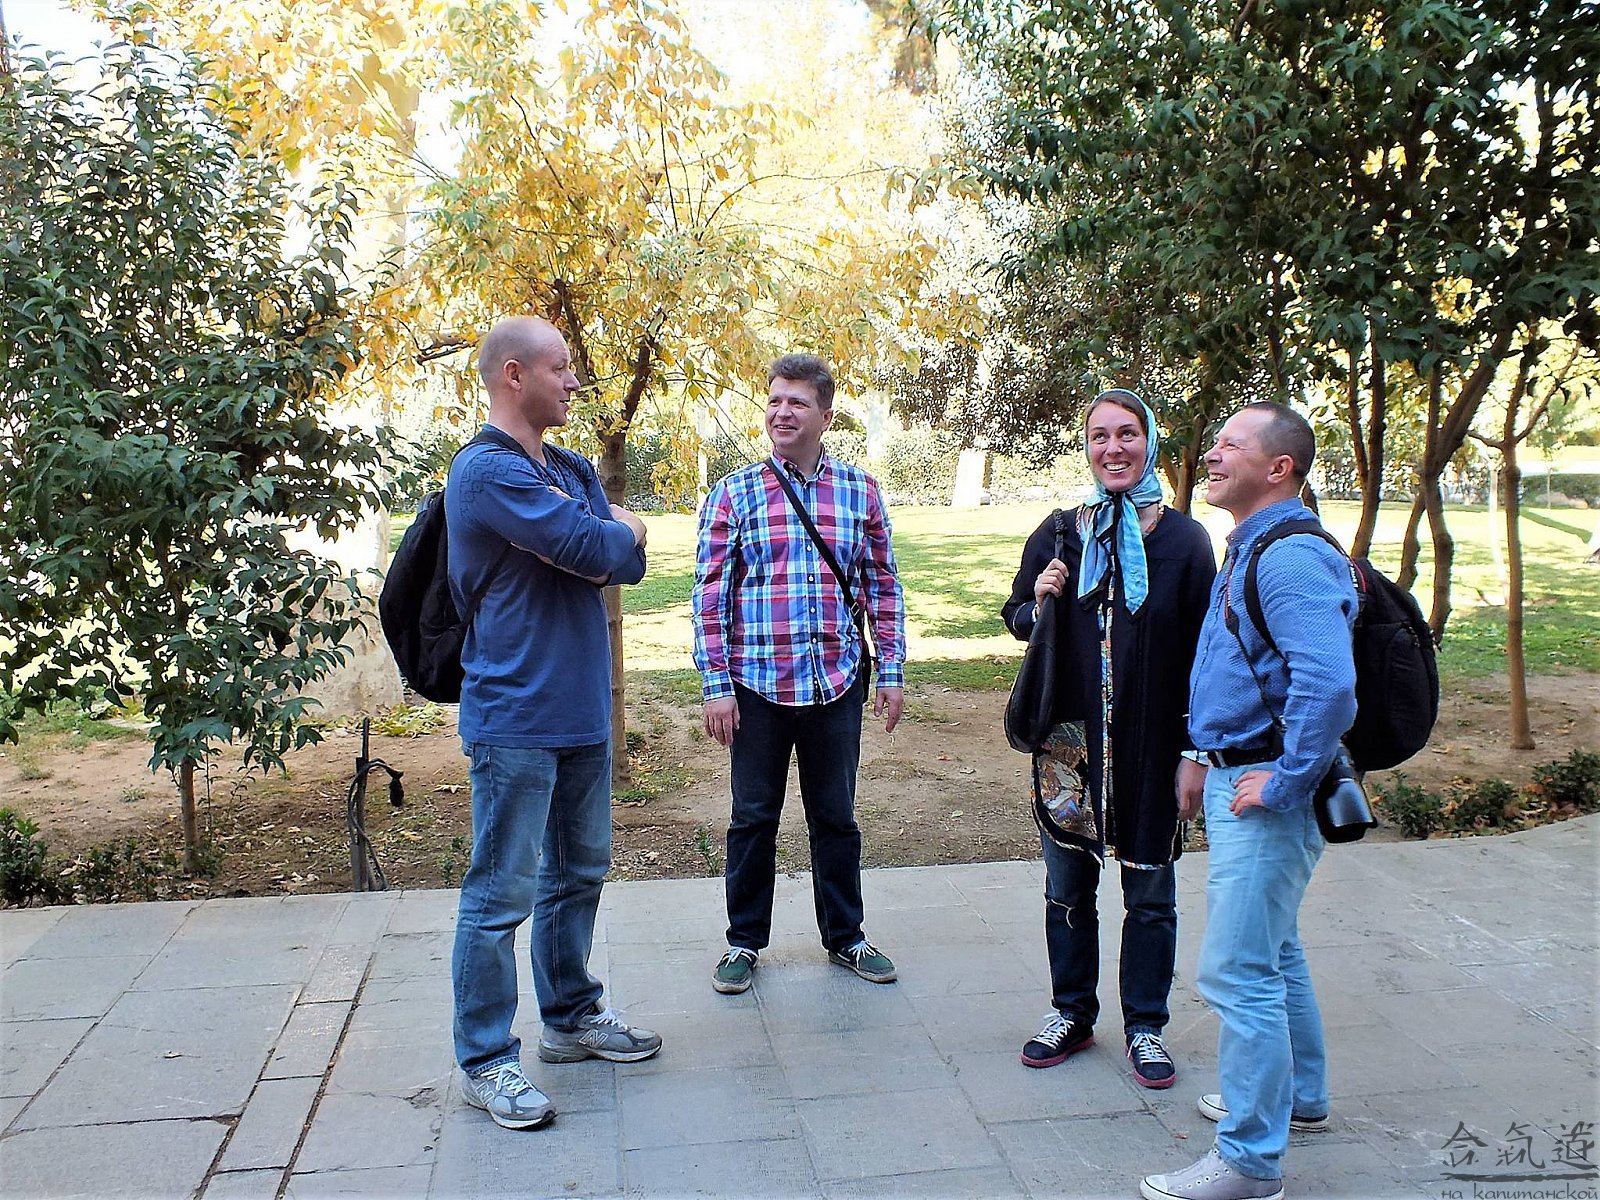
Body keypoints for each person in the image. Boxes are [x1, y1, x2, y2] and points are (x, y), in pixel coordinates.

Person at [447, 316, 661, 1132]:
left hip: (581, 713)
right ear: (514, 375)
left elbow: (619, 561)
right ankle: (485, 1061)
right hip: (514, 720)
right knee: (500, 894)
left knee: (580, 873)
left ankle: (570, 1020)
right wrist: (612, 530)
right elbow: (596, 545)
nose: (574, 381)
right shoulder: (485, 472)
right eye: (560, 367)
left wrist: (608, 537)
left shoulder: (567, 468)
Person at [1141, 402, 1357, 1200]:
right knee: (1276, 950)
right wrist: (1202, 752)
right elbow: (1237, 666)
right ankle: (1299, 1099)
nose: (1212, 453)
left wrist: (1288, 779)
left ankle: (1248, 1162)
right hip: (1240, 771)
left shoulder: (1289, 556)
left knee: (1237, 971)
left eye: (1231, 444)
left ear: (1278, 467)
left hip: (1266, 789)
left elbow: (1329, 685)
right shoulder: (1253, 544)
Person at [1001, 390, 1216, 1087]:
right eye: (1100, 436)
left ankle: (1146, 1025)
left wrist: (1196, 751)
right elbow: (1017, 618)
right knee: (1067, 888)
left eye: (1127, 434)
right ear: (1087, 447)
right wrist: (1040, 599)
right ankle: (1072, 1012)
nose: (1113, 448)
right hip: (1069, 749)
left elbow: (1206, 656)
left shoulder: (1185, 542)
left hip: (1153, 748)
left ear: (1149, 442)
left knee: (1150, 894)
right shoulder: (1061, 533)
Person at [692, 353, 907, 994]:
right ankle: (743, 942)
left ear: (825, 415)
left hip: (835, 683)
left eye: (797, 403)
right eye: (775, 401)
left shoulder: (860, 491)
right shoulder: (734, 493)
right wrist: (716, 685)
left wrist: (891, 668)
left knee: (836, 818)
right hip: (755, 687)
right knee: (752, 818)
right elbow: (709, 595)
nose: (782, 413)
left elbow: (882, 585)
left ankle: (846, 937)